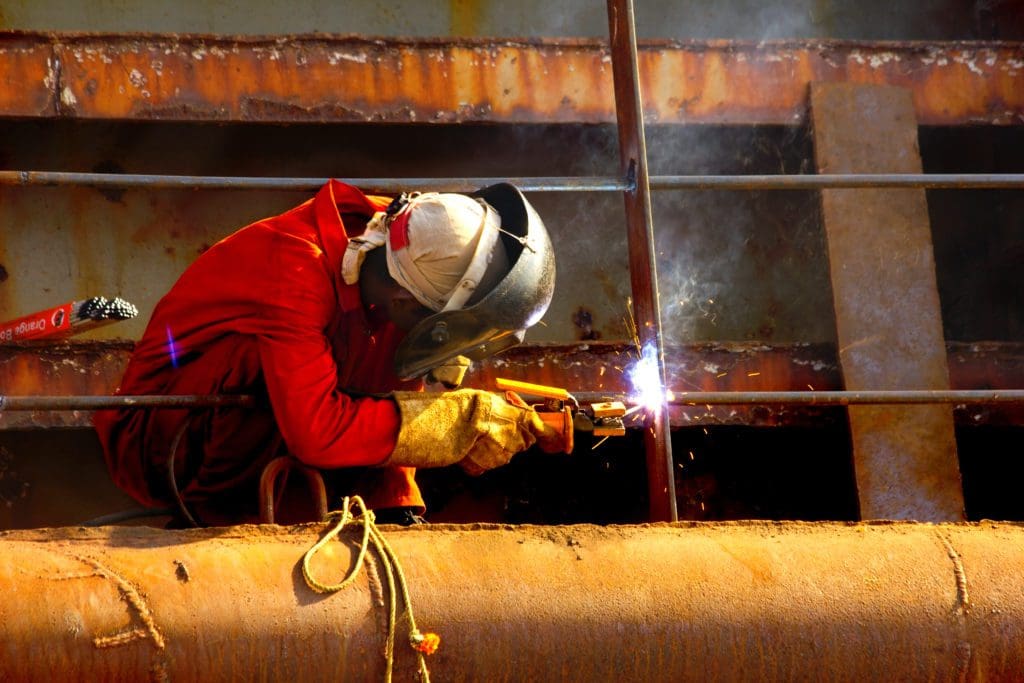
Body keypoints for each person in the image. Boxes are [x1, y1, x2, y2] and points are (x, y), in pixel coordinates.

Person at [93, 179, 563, 526]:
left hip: (284, 411)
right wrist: (448, 424)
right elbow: (315, 431)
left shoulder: (403, 239)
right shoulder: (296, 271)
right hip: (161, 438)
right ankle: (223, 521)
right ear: (403, 299)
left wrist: (445, 427)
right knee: (275, 352)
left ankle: (389, 509)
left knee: (389, 335)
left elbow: (391, 374)